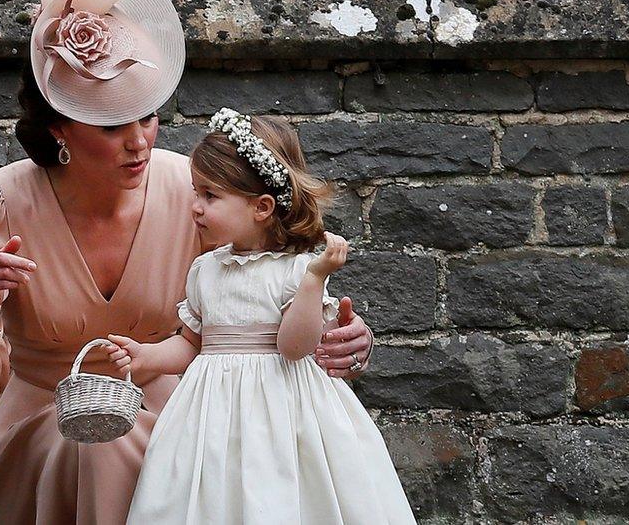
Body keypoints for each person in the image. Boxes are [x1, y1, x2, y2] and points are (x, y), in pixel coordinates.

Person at [0, 0, 377, 522]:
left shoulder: (197, 194)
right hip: (44, 425)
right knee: (98, 444)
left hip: (185, 417)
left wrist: (342, 335)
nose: (139, 140)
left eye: (148, 116)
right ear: (60, 126)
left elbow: (270, 283)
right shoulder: (1, 200)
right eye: (112, 125)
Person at [107, 109, 415, 524]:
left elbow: (294, 347)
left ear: (262, 206)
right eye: (196, 193)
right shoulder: (205, 270)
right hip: (210, 418)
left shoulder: (296, 271)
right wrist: (147, 356)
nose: (195, 207)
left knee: (282, 498)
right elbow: (192, 343)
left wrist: (315, 279)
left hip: (285, 413)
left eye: (210, 196)